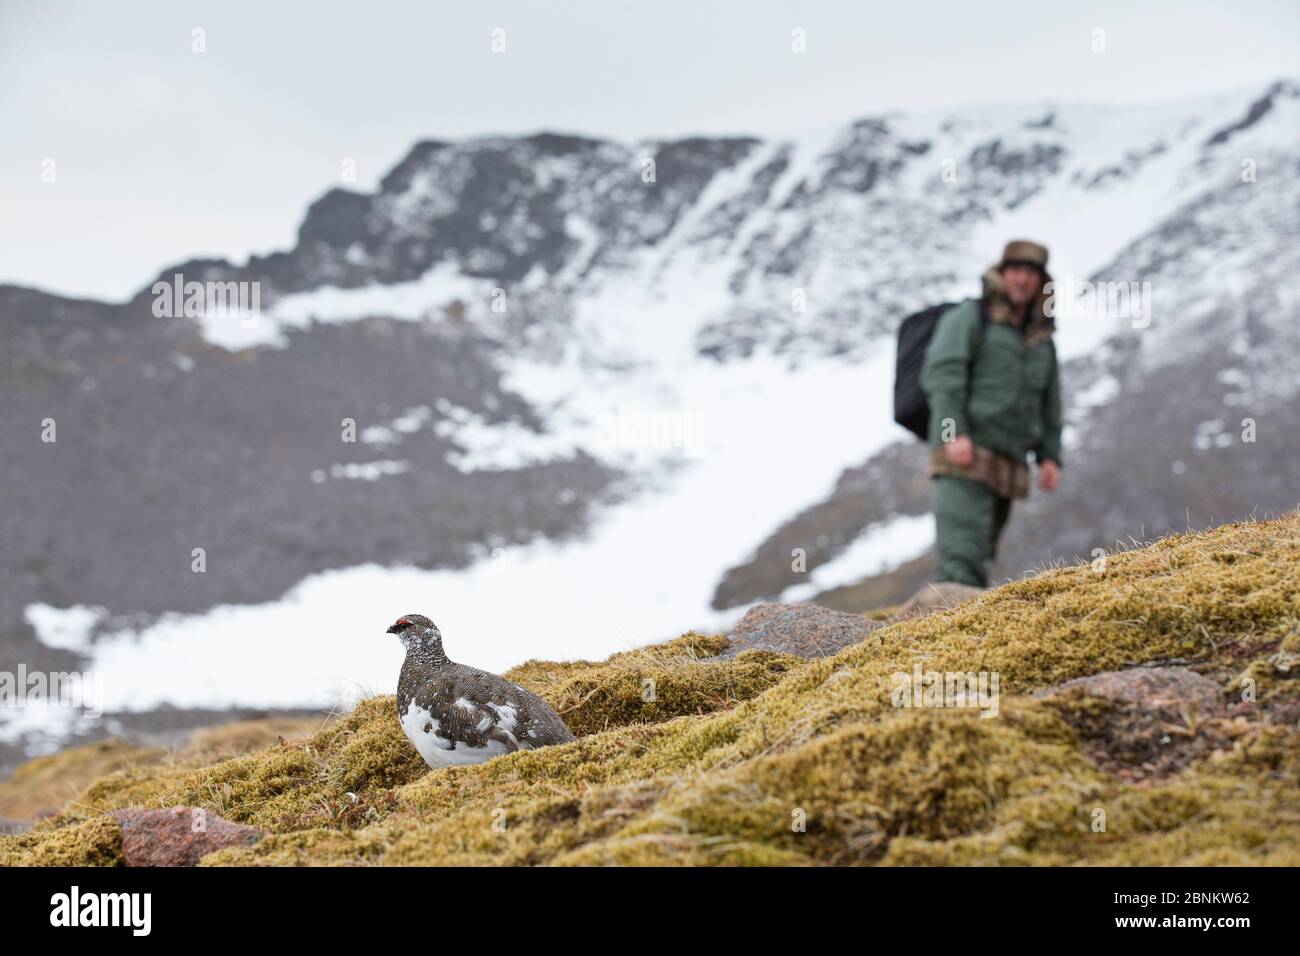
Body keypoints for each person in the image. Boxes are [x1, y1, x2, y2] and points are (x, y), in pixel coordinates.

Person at [919, 240, 1062, 588]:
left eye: (1031, 273)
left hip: (1007, 466)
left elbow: (1049, 403)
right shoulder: (971, 317)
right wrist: (953, 434)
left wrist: (1049, 456)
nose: (1022, 280)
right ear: (1001, 273)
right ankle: (946, 639)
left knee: (980, 557)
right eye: (1015, 270)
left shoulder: (1042, 340)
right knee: (960, 562)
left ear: (1041, 282)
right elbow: (943, 376)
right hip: (963, 459)